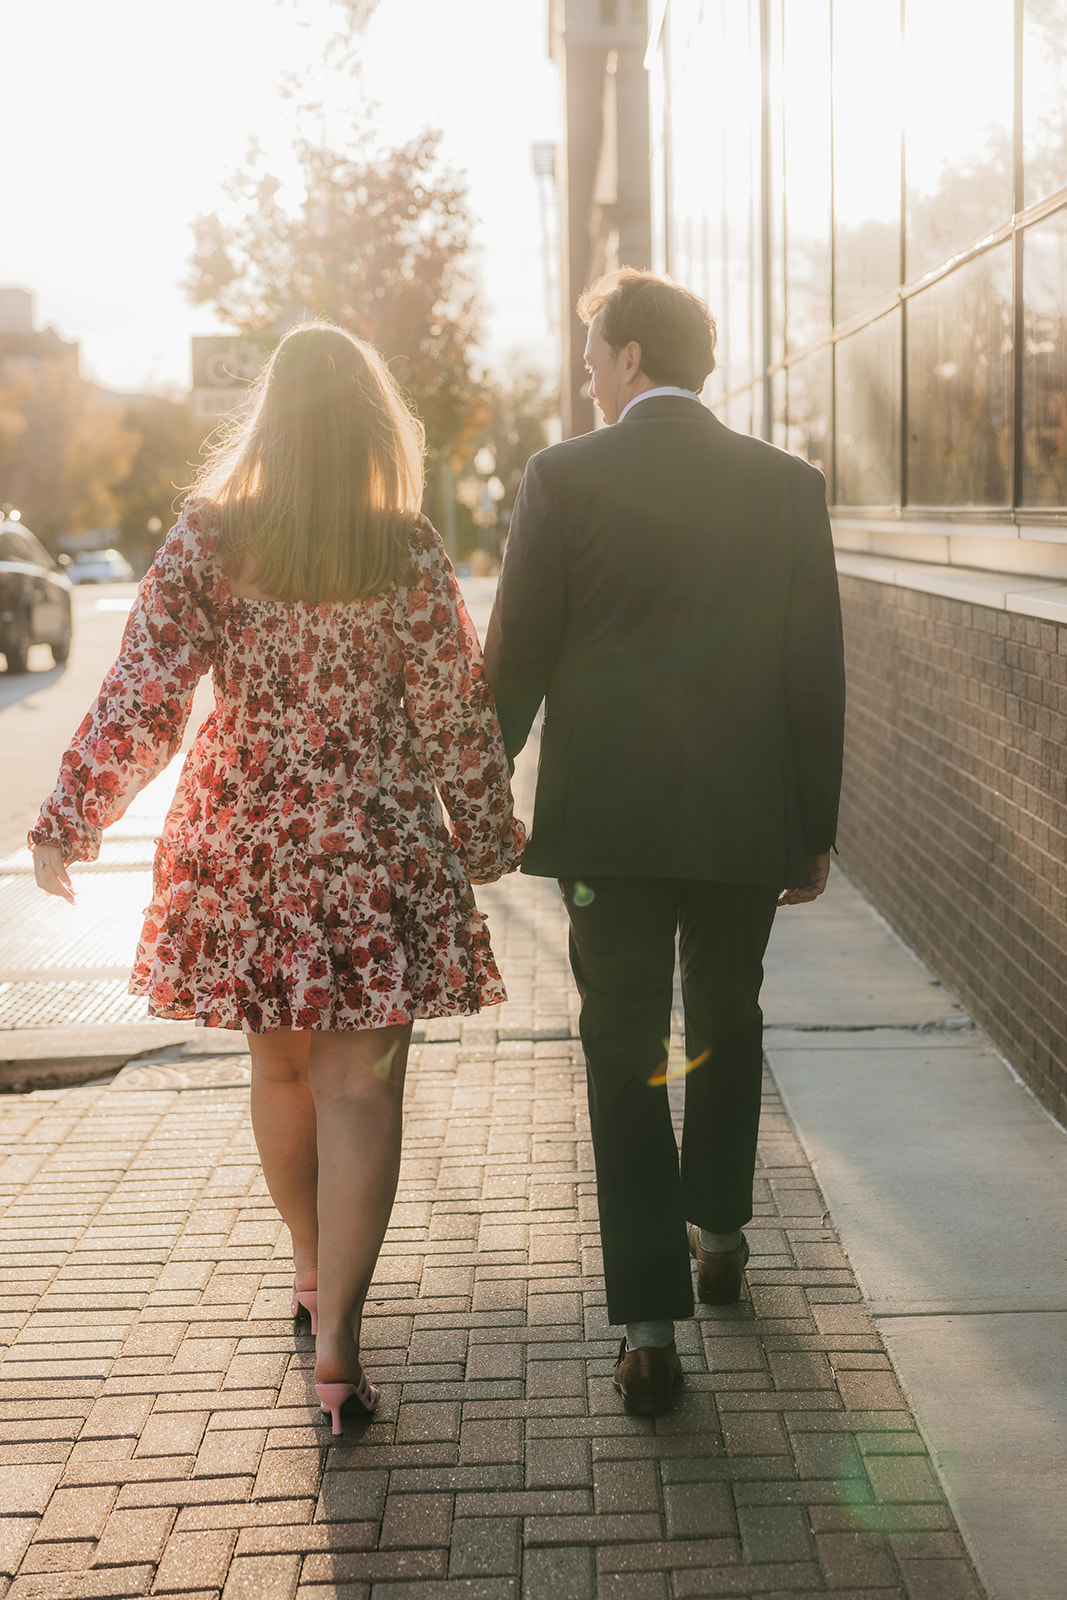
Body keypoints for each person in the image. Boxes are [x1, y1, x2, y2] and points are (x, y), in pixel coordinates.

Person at [31, 322, 524, 1434]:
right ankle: (341, 1338)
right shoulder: (401, 544)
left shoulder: (211, 537)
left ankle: (309, 1264)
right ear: (369, 426)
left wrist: (70, 816)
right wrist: (487, 833)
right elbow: (453, 710)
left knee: (281, 1071)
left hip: (247, 835)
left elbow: (144, 694)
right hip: (372, 834)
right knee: (361, 1087)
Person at [484, 269, 845, 1413]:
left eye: (594, 349)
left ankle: (646, 1325)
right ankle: (723, 1229)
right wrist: (812, 827)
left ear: (632, 356)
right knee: (728, 1015)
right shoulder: (786, 485)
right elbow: (811, 671)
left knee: (623, 1047)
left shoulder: (563, 476)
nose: (586, 371)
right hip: (744, 817)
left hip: (610, 825)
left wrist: (474, 791)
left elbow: (518, 655)